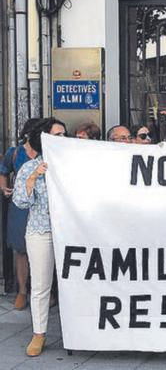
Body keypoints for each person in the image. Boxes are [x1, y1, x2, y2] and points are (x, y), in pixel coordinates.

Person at [12, 118, 66, 356]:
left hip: (70, 230)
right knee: (41, 285)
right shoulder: (29, 167)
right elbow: (21, 201)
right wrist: (34, 177)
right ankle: (39, 333)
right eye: (57, 135)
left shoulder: (74, 165)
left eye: (64, 135)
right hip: (41, 230)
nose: (62, 139)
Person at [1, 118, 41, 311]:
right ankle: (22, 291)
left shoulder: (46, 152)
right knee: (20, 249)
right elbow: (4, 170)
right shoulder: (15, 152)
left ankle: (43, 292)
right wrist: (4, 188)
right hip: (20, 206)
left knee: (43, 249)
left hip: (41, 206)